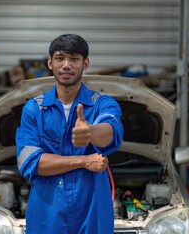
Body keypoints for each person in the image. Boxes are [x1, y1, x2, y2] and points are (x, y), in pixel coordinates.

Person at [15, 34, 124, 234]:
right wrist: (83, 161)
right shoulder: (34, 109)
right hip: (47, 209)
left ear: (85, 63)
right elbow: (30, 162)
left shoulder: (103, 103)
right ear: (50, 63)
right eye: (60, 58)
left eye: (74, 59)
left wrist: (90, 132)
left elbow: (112, 131)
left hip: (92, 206)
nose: (66, 65)